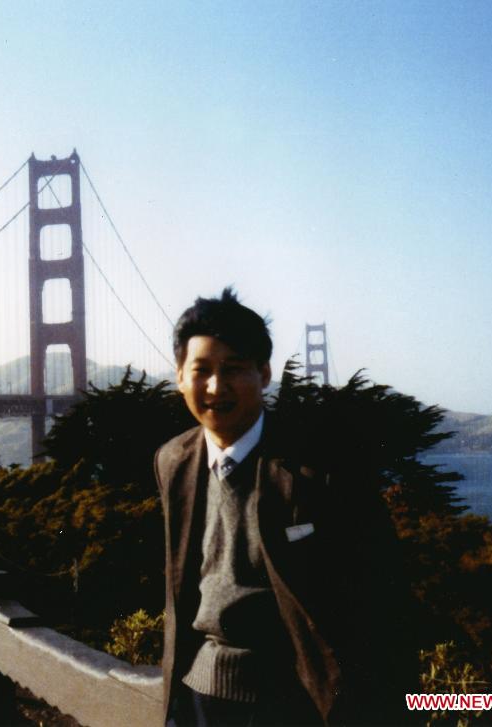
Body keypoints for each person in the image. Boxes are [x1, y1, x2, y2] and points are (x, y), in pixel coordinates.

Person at [154, 288, 414, 726]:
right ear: (180, 376)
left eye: (234, 369)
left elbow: (383, 597)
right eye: (201, 371)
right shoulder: (172, 461)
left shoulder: (322, 468)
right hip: (198, 696)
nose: (216, 387)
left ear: (264, 373)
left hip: (296, 701)